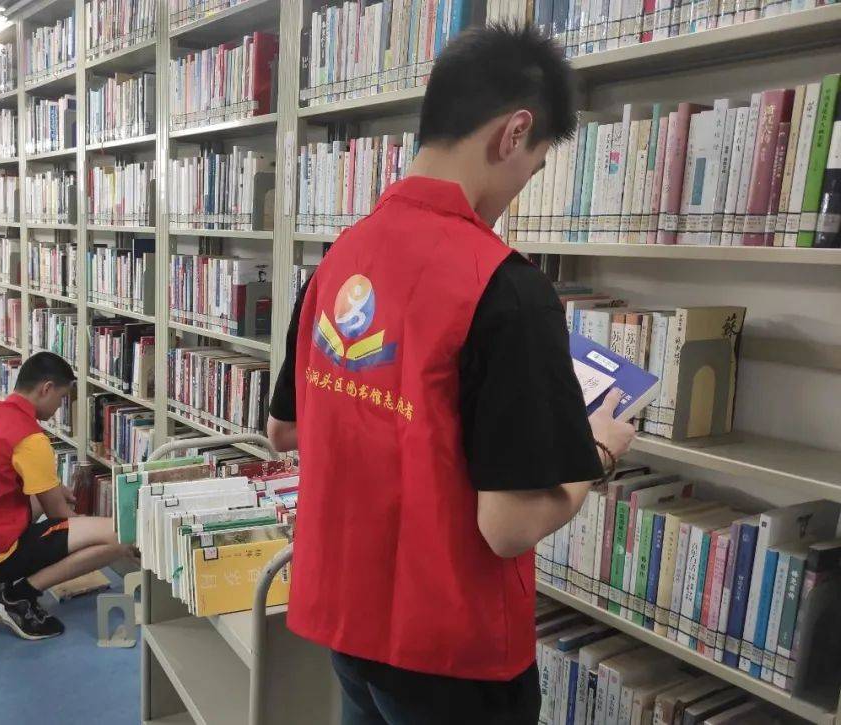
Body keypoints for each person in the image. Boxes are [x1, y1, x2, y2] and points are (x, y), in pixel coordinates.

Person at [265, 25, 637, 724]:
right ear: (513, 132)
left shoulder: (338, 258)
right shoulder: (506, 289)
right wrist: (601, 450)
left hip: (348, 626)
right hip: (453, 656)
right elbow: (508, 525)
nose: (515, 195)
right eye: (529, 170)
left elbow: (283, 427)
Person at [0, 352, 136, 640]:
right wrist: (88, 527)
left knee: (47, 493)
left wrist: (53, 491)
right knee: (119, 537)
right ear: (46, 389)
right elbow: (60, 518)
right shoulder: (30, 438)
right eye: (61, 398)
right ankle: (18, 598)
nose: (58, 407)